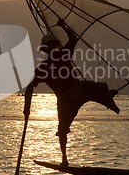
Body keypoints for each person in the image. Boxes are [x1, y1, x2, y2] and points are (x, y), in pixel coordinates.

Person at [24, 17, 120, 166]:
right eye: (49, 48)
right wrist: (26, 109)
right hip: (67, 98)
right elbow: (29, 87)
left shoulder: (59, 56)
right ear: (46, 50)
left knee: (100, 88)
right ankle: (64, 159)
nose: (51, 50)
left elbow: (73, 39)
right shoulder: (46, 66)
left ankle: (107, 99)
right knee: (62, 130)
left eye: (51, 47)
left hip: (77, 91)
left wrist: (64, 26)